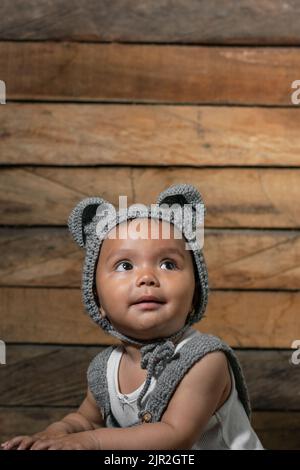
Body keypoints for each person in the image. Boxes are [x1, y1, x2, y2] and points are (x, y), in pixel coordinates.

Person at [1, 183, 264, 450]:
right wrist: (55, 433)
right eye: (125, 265)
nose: (147, 278)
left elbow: (174, 435)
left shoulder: (204, 360)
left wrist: (89, 441)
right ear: (97, 299)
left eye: (168, 264)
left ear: (195, 294)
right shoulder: (105, 369)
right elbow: (85, 419)